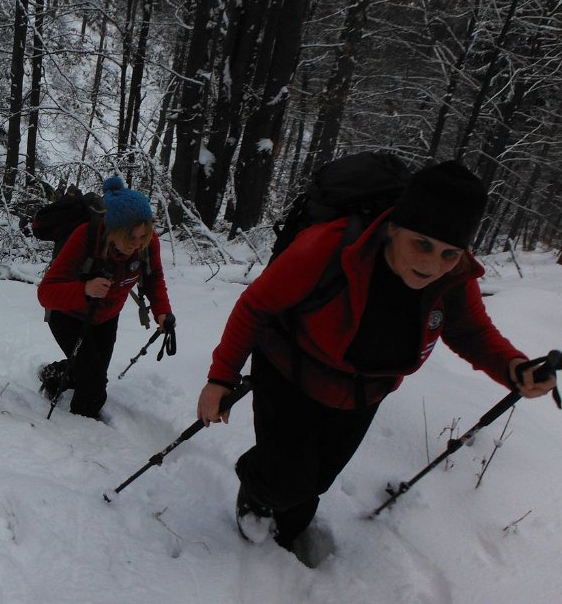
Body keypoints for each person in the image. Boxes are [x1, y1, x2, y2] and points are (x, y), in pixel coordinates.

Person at [196, 161, 557, 555]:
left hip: (364, 392)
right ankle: (257, 492)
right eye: (422, 244)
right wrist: (221, 378)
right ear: (394, 228)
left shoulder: (453, 278)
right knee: (287, 479)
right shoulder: (329, 247)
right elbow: (255, 306)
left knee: (318, 480)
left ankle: (286, 533)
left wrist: (513, 367)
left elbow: (472, 332)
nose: (432, 264)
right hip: (289, 371)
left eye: (449, 253)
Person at [37, 176, 173, 419]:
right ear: (113, 230)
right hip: (69, 316)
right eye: (130, 237)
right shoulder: (85, 237)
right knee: (93, 387)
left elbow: (153, 278)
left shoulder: (148, 242)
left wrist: (162, 312)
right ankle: (79, 430)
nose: (136, 244)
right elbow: (45, 293)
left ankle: (55, 374)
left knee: (93, 373)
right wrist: (85, 289)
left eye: (142, 236)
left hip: (107, 317)